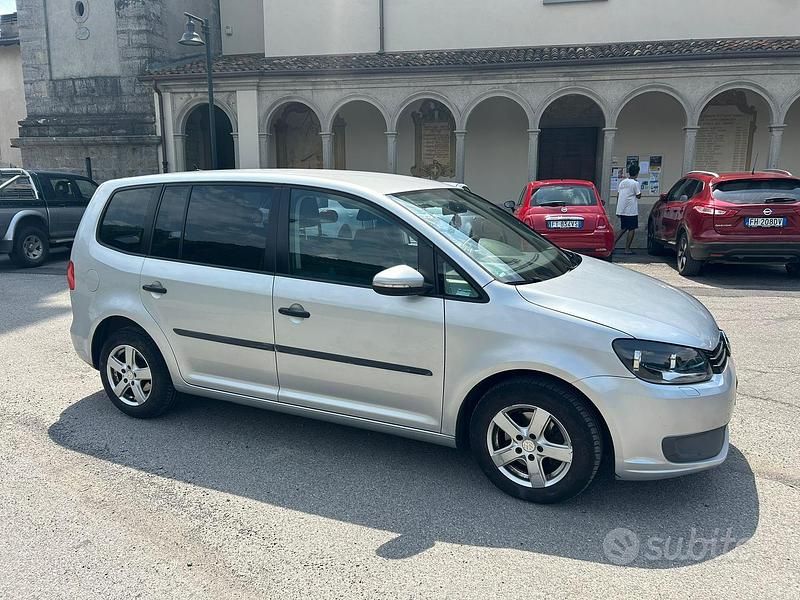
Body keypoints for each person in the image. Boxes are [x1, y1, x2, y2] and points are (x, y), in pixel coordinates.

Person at [615, 163, 642, 254]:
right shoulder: (635, 183)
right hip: (631, 210)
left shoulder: (622, 182)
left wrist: (619, 209)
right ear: (637, 173)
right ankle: (627, 249)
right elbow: (638, 195)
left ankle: (611, 245)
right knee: (631, 229)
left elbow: (618, 195)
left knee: (623, 228)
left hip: (622, 209)